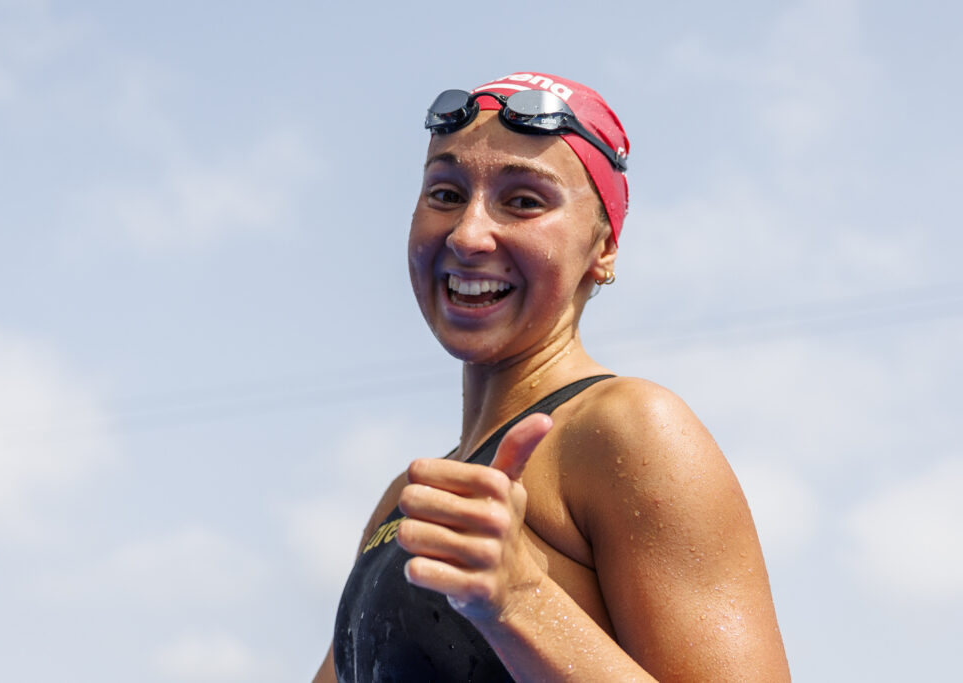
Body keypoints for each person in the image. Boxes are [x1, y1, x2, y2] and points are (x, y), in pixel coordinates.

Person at [313, 72, 790, 682]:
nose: (468, 234)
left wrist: (521, 599)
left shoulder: (632, 430)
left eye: (523, 202)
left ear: (603, 247)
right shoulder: (407, 496)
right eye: (446, 194)